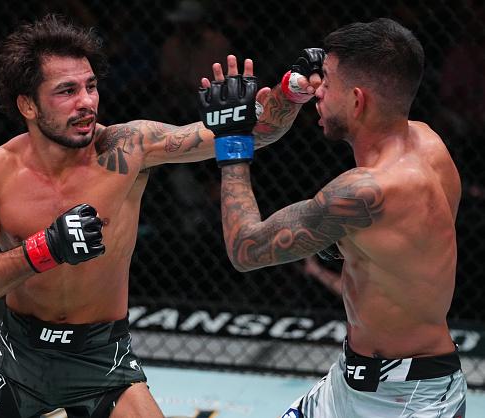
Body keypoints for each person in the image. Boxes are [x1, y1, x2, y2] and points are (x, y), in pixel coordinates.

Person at [0, 14, 318, 418]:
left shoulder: (129, 147)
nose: (86, 102)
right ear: (28, 104)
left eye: (91, 86)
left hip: (103, 358)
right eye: (66, 91)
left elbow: (254, 131)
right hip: (17, 355)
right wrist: (45, 249)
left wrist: (289, 92)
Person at [198, 18, 467, 418]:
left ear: (358, 101)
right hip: (351, 381)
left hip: (408, 401)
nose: (318, 92)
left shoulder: (365, 192)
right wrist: (289, 92)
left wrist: (232, 141)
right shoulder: (427, 143)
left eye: (328, 84)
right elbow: (409, 249)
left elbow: (245, 248)